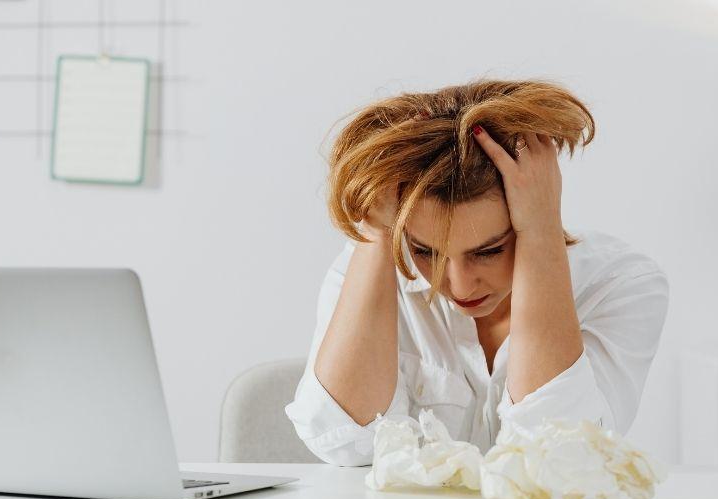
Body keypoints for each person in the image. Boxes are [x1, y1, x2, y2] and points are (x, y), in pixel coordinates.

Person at [284, 79, 670, 466]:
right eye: (425, 251)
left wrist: (541, 230)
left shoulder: (620, 284)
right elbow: (342, 443)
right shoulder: (377, 268)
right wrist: (377, 228)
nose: (459, 285)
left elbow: (558, 454)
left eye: (488, 251)